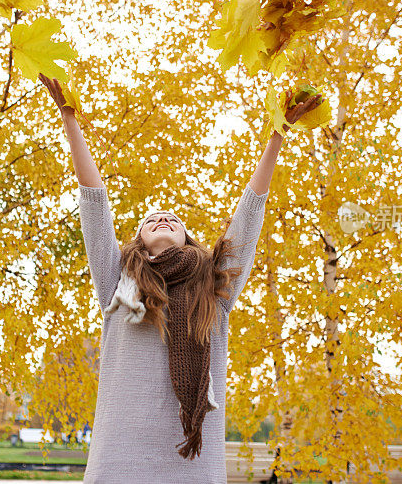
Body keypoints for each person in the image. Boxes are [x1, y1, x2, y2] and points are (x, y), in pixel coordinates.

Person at [39, 74, 322, 483]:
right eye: (150, 219)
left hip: (191, 455)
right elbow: (94, 202)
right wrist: (70, 119)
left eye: (171, 218)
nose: (161, 217)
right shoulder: (116, 278)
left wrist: (277, 137)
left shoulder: (214, 287)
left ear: (187, 237)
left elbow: (249, 216)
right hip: (120, 450)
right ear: (138, 239)